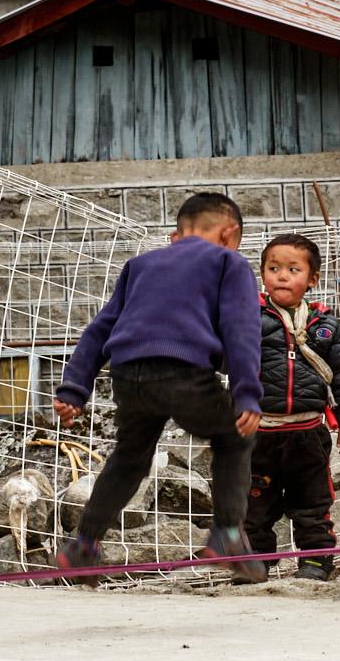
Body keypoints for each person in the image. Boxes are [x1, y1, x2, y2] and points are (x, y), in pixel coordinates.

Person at [50, 193, 266, 583]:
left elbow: (99, 329)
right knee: (234, 437)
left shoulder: (140, 265)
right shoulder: (228, 261)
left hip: (128, 375)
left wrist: (74, 390)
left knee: (130, 456)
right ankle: (228, 535)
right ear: (229, 234)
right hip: (183, 372)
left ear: (174, 236)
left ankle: (83, 544)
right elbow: (241, 328)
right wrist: (247, 392)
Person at [246, 234, 340, 581]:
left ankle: (315, 561)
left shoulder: (324, 324)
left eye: (293, 269)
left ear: (312, 279)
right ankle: (255, 562)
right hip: (259, 432)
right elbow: (226, 362)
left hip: (308, 433)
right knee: (253, 505)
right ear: (262, 273)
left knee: (312, 503)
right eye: (273, 268)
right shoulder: (248, 317)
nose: (282, 276)